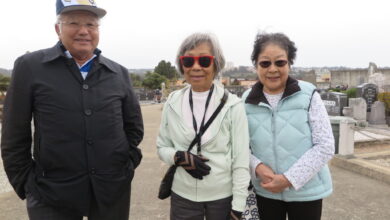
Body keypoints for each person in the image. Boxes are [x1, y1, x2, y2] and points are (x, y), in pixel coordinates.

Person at [1, 1, 143, 219]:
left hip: (111, 191)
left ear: (98, 30)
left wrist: (126, 167)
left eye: (91, 24)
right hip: (51, 194)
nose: (83, 31)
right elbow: (13, 134)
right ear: (58, 29)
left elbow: (134, 129)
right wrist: (27, 184)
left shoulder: (118, 73)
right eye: (73, 23)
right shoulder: (30, 67)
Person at [156, 32, 250, 220]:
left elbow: (241, 162)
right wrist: (178, 156)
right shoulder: (173, 102)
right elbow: (161, 147)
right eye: (188, 61)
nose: (196, 67)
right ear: (182, 65)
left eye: (205, 60)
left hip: (222, 198)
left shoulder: (233, 106)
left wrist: (238, 207)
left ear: (216, 64)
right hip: (183, 197)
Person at [242, 32, 334, 220]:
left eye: (280, 62)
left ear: (290, 63)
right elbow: (240, 146)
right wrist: (257, 166)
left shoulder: (308, 95)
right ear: (256, 66)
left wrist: (288, 180)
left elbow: (325, 145)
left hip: (306, 192)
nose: (272, 69)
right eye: (265, 63)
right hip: (266, 191)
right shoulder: (245, 101)